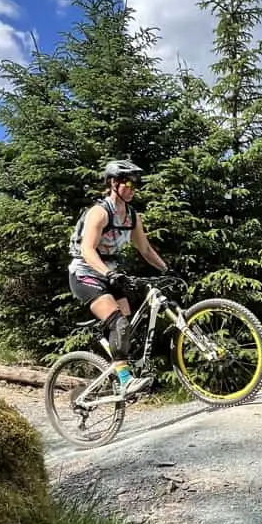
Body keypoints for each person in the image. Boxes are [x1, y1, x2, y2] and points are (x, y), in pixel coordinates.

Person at [67, 158, 168, 395]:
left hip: (110, 274)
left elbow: (145, 249)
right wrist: (108, 273)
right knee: (120, 324)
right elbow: (87, 250)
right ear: (113, 183)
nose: (132, 189)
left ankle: (112, 373)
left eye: (135, 184)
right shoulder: (99, 212)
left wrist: (166, 269)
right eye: (127, 184)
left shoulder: (133, 216)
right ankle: (124, 379)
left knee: (127, 328)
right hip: (85, 273)